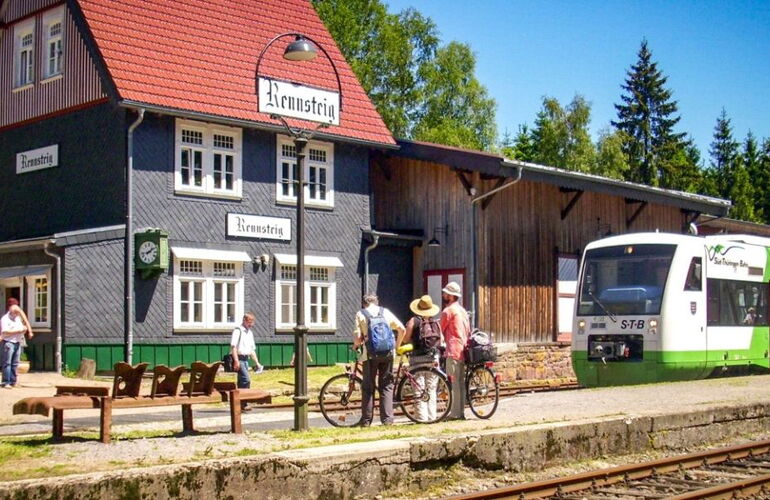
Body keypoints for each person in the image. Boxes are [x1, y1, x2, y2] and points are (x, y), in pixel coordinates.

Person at [353, 293, 405, 426]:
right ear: (376, 302)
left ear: (364, 303)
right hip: (388, 354)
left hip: (370, 355)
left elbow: (358, 337)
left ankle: (366, 420)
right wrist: (396, 347)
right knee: (387, 386)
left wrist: (355, 346)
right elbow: (401, 329)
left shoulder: (361, 314)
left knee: (368, 387)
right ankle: (387, 420)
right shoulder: (385, 312)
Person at [397, 294, 441, 422]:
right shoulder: (434, 322)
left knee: (419, 389)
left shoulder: (413, 321)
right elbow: (440, 339)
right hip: (433, 357)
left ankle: (422, 418)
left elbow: (405, 338)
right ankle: (432, 417)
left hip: (417, 358)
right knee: (431, 389)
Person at [439, 282, 470, 420]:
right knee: (461, 383)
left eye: (445, 293)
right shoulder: (462, 311)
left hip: (452, 349)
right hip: (463, 348)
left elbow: (440, 330)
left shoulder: (448, 311)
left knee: (453, 382)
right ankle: (461, 411)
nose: (443, 295)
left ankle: (455, 414)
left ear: (451, 296)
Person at [230, 312, 263, 411]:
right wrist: (236, 361)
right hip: (239, 358)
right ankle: (243, 402)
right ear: (244, 320)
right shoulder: (238, 331)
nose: (251, 324)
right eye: (249, 322)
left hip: (246, 358)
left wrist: (257, 363)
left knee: (242, 381)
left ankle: (240, 403)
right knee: (246, 379)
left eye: (252, 322)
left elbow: (251, 350)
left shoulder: (249, 333)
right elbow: (234, 347)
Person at [1, 299, 33, 389]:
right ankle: (6, 382)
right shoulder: (5, 319)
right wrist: (19, 331)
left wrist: (26, 329)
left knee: (15, 363)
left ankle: (13, 381)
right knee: (7, 363)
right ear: (11, 312)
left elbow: (24, 323)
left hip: (17, 342)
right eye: (15, 313)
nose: (17, 315)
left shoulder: (17, 318)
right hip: (8, 342)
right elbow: (5, 331)